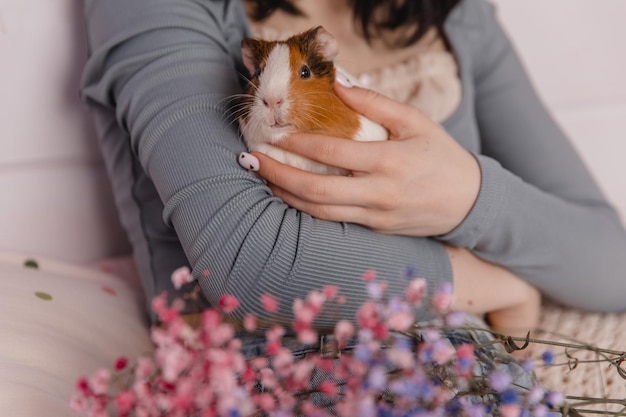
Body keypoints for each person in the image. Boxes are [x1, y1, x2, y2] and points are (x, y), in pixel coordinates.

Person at [80, 0, 626, 344]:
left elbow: (610, 263)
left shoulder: (457, 15)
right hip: (280, 371)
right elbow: (251, 260)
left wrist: (466, 197)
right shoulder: (155, 7)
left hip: (466, 367)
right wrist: (496, 283)